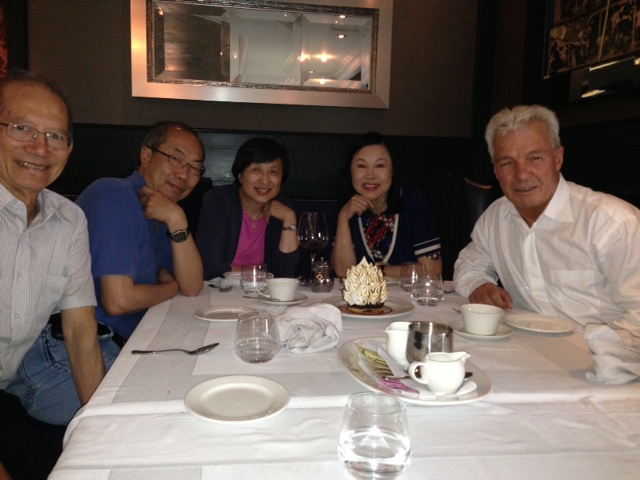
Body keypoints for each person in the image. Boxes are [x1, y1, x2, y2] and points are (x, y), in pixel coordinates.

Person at [453, 105, 640, 383]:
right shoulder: (496, 217)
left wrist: (598, 354)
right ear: (495, 170)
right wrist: (479, 285)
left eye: (535, 158)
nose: (522, 174)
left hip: (603, 370)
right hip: (522, 358)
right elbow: (469, 265)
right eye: (507, 163)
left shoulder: (612, 222)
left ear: (558, 158)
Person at [0, 71, 106, 479]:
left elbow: (80, 333)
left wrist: (100, 429)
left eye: (55, 136)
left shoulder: (69, 220)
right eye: (21, 128)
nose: (40, 148)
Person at [75, 121, 205, 341]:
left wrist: (177, 219)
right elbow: (119, 301)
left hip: (133, 337)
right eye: (176, 159)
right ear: (146, 156)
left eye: (194, 168)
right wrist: (170, 288)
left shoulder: (161, 210)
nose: (184, 175)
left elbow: (192, 287)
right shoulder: (114, 195)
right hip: (88, 341)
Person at [331, 132, 442, 278]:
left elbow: (432, 270)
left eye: (380, 165)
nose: (370, 175)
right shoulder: (348, 206)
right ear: (350, 170)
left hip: (408, 292)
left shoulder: (414, 200)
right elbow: (343, 272)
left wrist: (371, 271)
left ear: (393, 169)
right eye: (361, 166)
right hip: (362, 294)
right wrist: (343, 218)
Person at [196, 137, 299, 279]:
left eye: (273, 172)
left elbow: (285, 274)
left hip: (264, 291)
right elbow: (209, 267)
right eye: (256, 170)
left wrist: (289, 218)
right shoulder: (219, 200)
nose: (264, 180)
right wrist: (260, 275)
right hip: (220, 289)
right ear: (240, 175)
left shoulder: (284, 206)